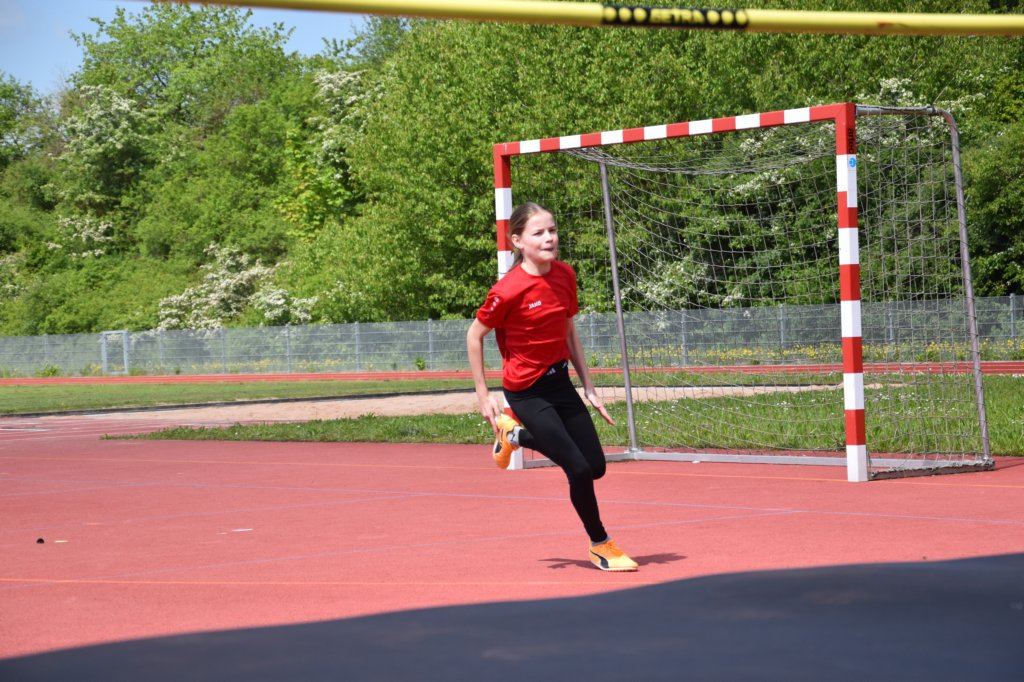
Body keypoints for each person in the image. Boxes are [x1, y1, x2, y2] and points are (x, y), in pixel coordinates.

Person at [466, 201, 638, 572]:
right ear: (517, 241)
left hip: (560, 383)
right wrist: (483, 395)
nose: (549, 238)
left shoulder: (565, 275)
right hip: (526, 391)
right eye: (539, 232)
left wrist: (589, 386)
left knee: (595, 467)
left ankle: (514, 436)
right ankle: (601, 544)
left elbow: (569, 331)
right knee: (577, 469)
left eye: (552, 230)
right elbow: (474, 335)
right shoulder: (507, 290)